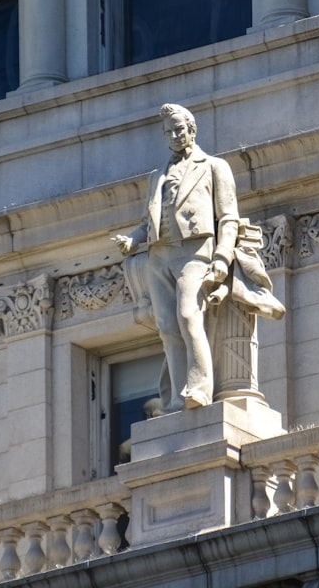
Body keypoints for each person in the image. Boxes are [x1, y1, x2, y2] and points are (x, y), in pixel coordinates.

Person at [114, 103, 239, 411]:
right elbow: (148, 222)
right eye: (167, 132)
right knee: (167, 325)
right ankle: (175, 399)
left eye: (178, 130)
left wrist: (222, 258)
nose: (173, 136)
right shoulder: (157, 176)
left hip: (194, 252)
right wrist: (133, 239)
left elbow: (228, 217)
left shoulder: (213, 166)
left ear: (191, 129)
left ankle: (199, 388)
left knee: (188, 316)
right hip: (159, 255)